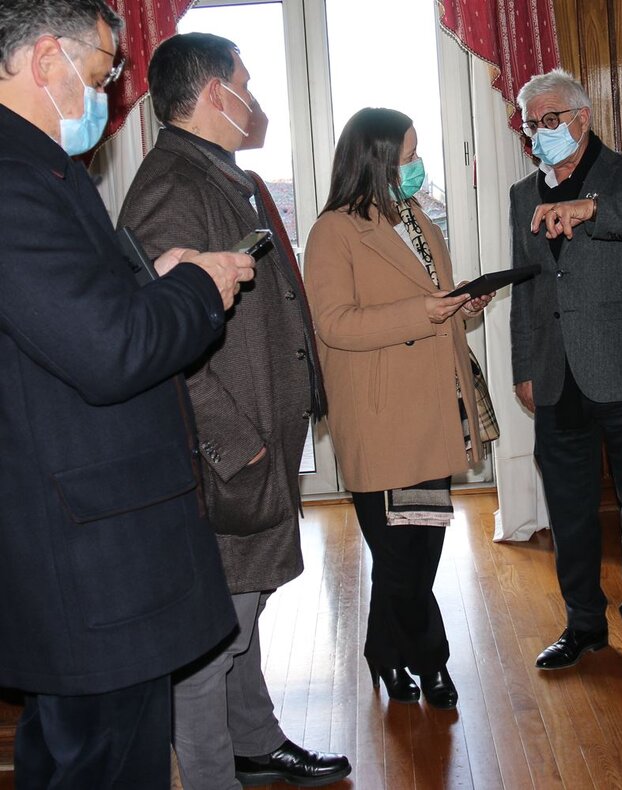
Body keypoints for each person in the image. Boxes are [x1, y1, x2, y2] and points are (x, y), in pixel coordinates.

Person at [0, 2, 259, 786]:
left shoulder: (41, 167)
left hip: (98, 535)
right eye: (105, 69)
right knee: (106, 765)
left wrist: (157, 278)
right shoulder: (12, 180)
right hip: (87, 550)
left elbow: (69, 318)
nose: (111, 92)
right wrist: (198, 288)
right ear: (47, 59)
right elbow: (108, 351)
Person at [118, 32, 349, 789]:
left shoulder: (220, 173)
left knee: (244, 612)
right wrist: (231, 444)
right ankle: (216, 774)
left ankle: (255, 742)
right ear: (215, 93)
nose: (255, 101)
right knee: (214, 635)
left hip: (259, 437)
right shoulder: (171, 187)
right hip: (225, 451)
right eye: (245, 84)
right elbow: (162, 336)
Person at [304, 107, 492, 710]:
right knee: (399, 558)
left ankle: (383, 652)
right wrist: (426, 312)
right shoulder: (333, 231)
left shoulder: (416, 218)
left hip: (432, 414)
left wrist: (466, 304)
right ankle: (430, 660)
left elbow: (434, 300)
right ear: (376, 161)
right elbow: (332, 326)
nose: (416, 167)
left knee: (420, 552)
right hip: (382, 420)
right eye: (407, 157)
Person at [509, 69, 622, 676]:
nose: (539, 132)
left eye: (550, 119)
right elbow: (526, 290)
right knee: (569, 511)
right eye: (531, 123)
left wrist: (595, 210)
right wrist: (525, 367)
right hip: (558, 374)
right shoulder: (521, 194)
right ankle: (583, 626)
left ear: (583, 119)